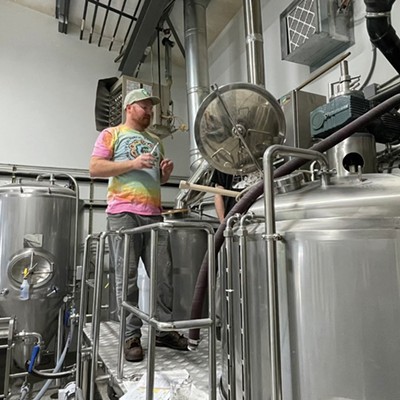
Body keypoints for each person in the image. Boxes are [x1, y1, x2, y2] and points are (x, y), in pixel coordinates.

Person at [89, 88, 188, 362]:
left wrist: (164, 175)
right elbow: (95, 168)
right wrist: (132, 162)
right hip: (123, 213)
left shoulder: (155, 140)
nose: (150, 111)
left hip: (154, 214)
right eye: (144, 106)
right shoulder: (112, 134)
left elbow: (155, 179)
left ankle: (162, 331)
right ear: (129, 108)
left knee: (163, 275)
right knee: (127, 277)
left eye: (151, 107)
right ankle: (131, 335)